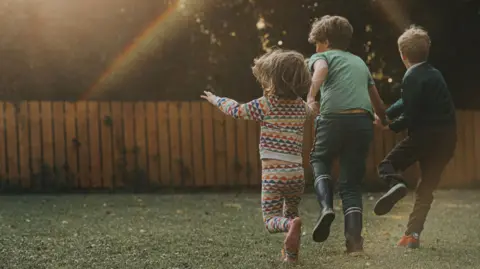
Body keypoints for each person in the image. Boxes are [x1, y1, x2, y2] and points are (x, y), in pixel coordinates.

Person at [201, 49, 312, 262]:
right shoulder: (301, 107)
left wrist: (216, 100)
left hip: (273, 175)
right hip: (297, 175)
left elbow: (236, 110)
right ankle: (291, 255)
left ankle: (290, 226)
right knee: (291, 210)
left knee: (271, 220)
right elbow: (312, 110)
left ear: (274, 79)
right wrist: (313, 103)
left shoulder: (266, 105)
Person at [306, 15, 386, 253]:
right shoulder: (360, 62)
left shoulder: (322, 57)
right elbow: (377, 100)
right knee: (350, 183)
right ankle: (354, 243)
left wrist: (311, 95)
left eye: (317, 43)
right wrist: (383, 118)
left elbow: (320, 68)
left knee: (319, 159)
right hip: (362, 121)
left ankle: (326, 208)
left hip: (334, 119)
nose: (316, 48)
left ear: (326, 41)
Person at [373, 25, 457, 249]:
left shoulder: (412, 75)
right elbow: (406, 102)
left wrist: (389, 127)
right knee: (426, 188)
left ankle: (397, 184)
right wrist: (385, 114)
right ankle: (412, 235)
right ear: (426, 50)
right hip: (447, 139)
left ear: (402, 55)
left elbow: (410, 114)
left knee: (387, 165)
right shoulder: (433, 73)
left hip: (425, 136)